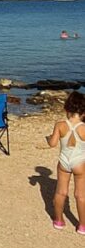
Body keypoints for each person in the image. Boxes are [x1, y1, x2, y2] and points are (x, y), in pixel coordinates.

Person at [46, 90, 85, 232]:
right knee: (80, 195)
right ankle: (82, 225)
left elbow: (52, 144)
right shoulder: (84, 127)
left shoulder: (60, 125)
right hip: (80, 163)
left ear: (67, 108)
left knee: (61, 192)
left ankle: (59, 221)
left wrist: (49, 138)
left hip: (64, 162)